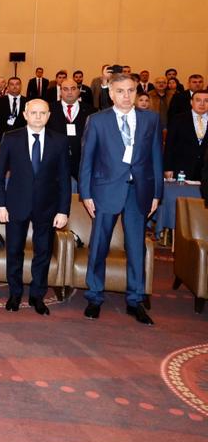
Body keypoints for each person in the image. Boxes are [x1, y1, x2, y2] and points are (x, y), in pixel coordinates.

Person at [78, 73, 162, 325]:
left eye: (131, 90)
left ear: (136, 92)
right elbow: (87, 160)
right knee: (99, 245)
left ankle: (135, 300)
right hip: (105, 191)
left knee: (136, 248)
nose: (126, 96)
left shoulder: (151, 119)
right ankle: (94, 296)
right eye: (121, 91)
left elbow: (156, 157)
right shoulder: (97, 120)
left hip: (140, 191)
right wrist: (86, 194)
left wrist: (157, 193)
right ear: (111, 94)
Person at [0, 99, 71, 314]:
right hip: (16, 205)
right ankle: (15, 294)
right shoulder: (11, 138)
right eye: (33, 113)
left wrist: (63, 210)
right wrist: (0, 205)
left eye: (42, 113)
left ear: (48, 116)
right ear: (25, 115)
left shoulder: (59, 141)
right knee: (14, 251)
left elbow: (64, 179)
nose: (38, 117)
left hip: (48, 208)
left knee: (43, 253)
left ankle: (38, 296)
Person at [46, 79, 91, 181]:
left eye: (73, 89)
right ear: (60, 92)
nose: (69, 92)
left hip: (82, 162)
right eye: (65, 89)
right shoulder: (49, 109)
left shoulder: (90, 111)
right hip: (56, 162)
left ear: (78, 91)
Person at [164, 89, 208, 180]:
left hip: (205, 172)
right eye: (198, 100)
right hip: (182, 170)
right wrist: (168, 168)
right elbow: (169, 145)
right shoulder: (178, 119)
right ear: (191, 102)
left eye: (206, 101)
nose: (202, 104)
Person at [0, 77, 26, 143]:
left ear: (21, 86)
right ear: (8, 87)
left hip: (22, 138)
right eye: (12, 84)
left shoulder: (27, 102)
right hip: (2, 138)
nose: (14, 86)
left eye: (17, 84)